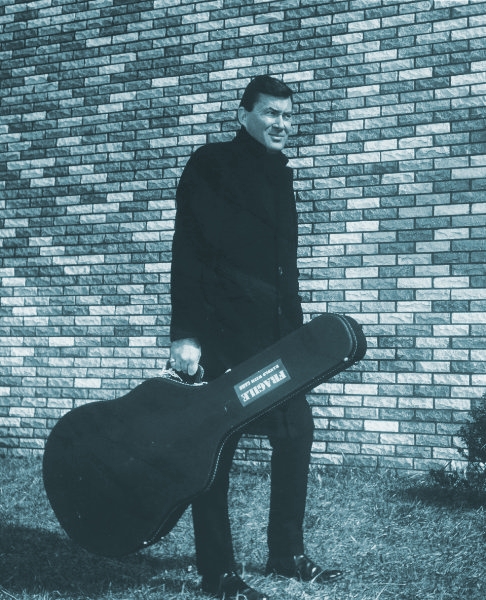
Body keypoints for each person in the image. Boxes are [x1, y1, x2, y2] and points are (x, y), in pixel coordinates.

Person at [169, 75, 343, 600]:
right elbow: (188, 251)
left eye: (288, 116)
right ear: (243, 114)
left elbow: (284, 269)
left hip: (276, 338)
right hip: (220, 332)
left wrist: (298, 337)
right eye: (271, 113)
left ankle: (285, 552)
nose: (281, 124)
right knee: (214, 449)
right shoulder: (211, 164)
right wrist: (186, 335)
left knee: (296, 431)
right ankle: (217, 572)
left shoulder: (280, 174)